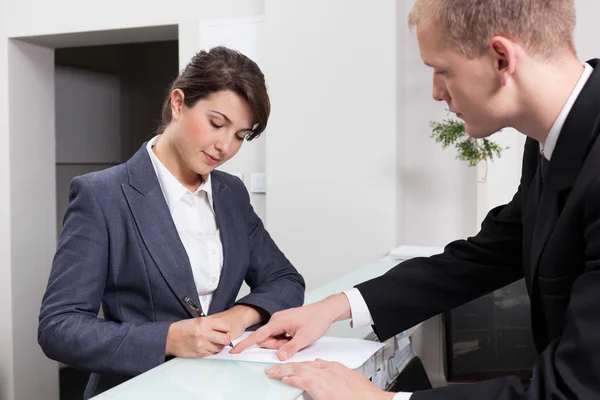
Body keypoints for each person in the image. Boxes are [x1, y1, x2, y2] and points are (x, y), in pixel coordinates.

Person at [232, 1, 600, 399]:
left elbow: (574, 391)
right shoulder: (552, 140)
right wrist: (334, 307)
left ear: (500, 58)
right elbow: (487, 256)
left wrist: (381, 399)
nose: (436, 91)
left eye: (442, 70)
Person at [38, 46, 305, 399]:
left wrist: (237, 317)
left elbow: (286, 280)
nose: (225, 146)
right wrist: (167, 338)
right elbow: (59, 328)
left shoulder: (231, 192)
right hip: (136, 389)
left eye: (240, 135)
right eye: (216, 123)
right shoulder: (101, 195)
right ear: (178, 103)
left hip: (221, 387)